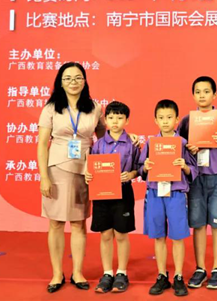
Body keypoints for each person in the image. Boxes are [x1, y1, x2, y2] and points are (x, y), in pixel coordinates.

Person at [38, 62, 105, 293]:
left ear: (85, 81)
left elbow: (106, 139)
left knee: (78, 222)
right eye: (67, 78)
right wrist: (44, 177)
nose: (73, 82)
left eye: (78, 78)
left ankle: (77, 272)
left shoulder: (95, 108)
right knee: (56, 222)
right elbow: (42, 144)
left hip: (84, 171)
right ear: (60, 82)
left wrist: (130, 138)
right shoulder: (51, 108)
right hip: (56, 168)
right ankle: (57, 273)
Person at [178, 76, 217, 290]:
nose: (202, 95)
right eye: (198, 92)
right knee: (198, 224)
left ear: (214, 94)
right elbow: (178, 145)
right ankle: (201, 268)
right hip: (196, 178)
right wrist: (189, 148)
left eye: (206, 91)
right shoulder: (187, 121)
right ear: (193, 95)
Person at [139, 99, 198, 296]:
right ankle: (162, 275)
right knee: (159, 236)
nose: (165, 121)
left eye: (169, 117)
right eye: (161, 118)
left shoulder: (183, 143)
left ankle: (178, 276)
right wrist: (146, 167)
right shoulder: (150, 143)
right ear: (155, 120)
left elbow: (194, 170)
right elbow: (141, 169)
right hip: (155, 192)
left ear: (177, 119)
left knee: (178, 236)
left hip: (176, 193)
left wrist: (184, 166)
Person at [85, 101, 140, 293]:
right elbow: (92, 168)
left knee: (121, 234)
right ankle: (107, 273)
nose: (115, 121)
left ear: (127, 120)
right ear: (105, 120)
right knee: (106, 234)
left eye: (119, 118)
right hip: (102, 195)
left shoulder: (132, 143)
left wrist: (131, 174)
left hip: (123, 193)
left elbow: (139, 168)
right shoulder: (98, 144)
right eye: (111, 118)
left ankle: (122, 273)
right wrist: (89, 175)